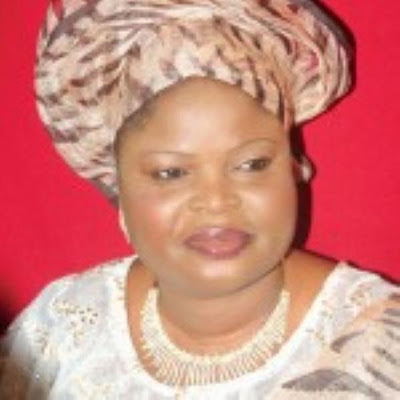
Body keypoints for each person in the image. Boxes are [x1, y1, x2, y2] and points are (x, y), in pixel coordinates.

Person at [1, 0, 399, 398]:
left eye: (252, 164)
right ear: (118, 188)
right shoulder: (60, 333)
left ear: (294, 172)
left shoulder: (376, 348)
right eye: (171, 173)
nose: (216, 200)